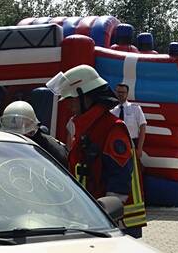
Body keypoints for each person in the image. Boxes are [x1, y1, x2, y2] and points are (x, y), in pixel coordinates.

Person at [46, 65, 146, 236]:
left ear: (86, 97)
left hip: (116, 223)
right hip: (94, 217)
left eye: (72, 99)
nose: (70, 105)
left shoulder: (112, 129)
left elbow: (119, 181)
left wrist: (102, 218)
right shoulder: (89, 126)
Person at [0, 101, 68, 167]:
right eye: (11, 135)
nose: (15, 139)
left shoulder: (52, 149)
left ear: (31, 132)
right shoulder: (1, 147)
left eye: (21, 135)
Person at [111, 83, 147, 159]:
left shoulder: (135, 108)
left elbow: (143, 128)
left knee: (132, 169)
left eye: (123, 92)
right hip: (116, 144)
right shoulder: (112, 111)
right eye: (118, 92)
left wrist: (140, 148)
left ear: (127, 94)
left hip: (132, 144)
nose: (120, 94)